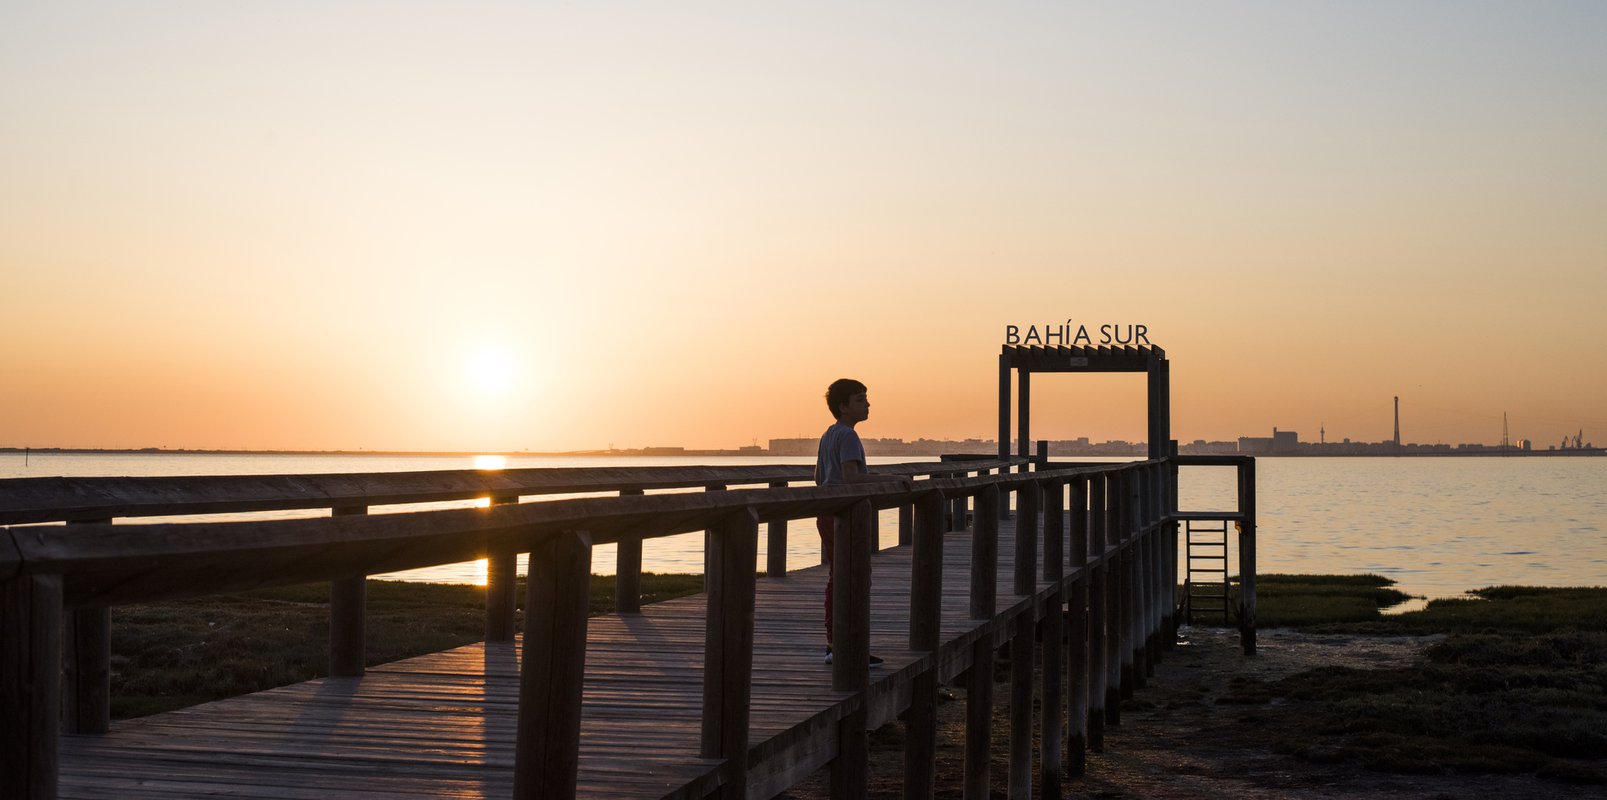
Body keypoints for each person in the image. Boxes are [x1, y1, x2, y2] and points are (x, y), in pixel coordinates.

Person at [815, 378, 913, 666]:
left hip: (827, 512)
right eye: (860, 399)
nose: (867, 404)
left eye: (866, 398)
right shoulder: (848, 436)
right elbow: (851, 478)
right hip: (844, 516)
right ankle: (847, 645)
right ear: (843, 406)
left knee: (839, 576)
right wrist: (891, 479)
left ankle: (835, 642)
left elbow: (818, 477)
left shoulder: (828, 435)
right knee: (855, 578)